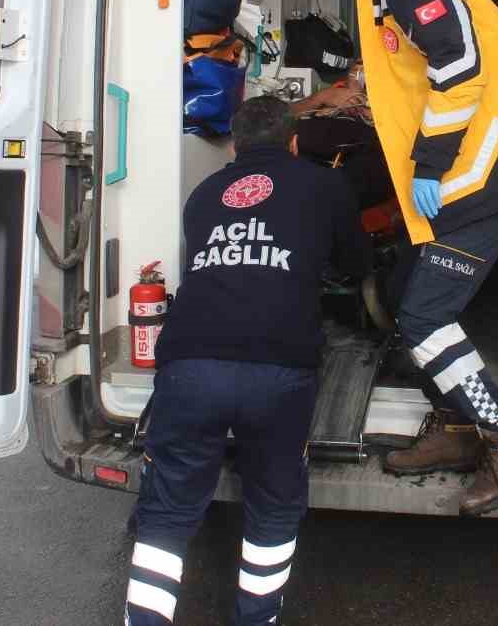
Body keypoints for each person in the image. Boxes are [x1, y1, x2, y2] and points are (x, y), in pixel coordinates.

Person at [336, 0, 498, 517]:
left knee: (425, 319)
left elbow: (460, 68)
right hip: (479, 165)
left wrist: (430, 163)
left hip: (485, 171)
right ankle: (455, 428)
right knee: (400, 290)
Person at [126, 95, 370, 626]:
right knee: (274, 506)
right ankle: (256, 618)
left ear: (235, 146)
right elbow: (356, 262)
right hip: (278, 370)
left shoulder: (204, 193)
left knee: (166, 514)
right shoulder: (325, 184)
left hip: (190, 366)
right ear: (294, 142)